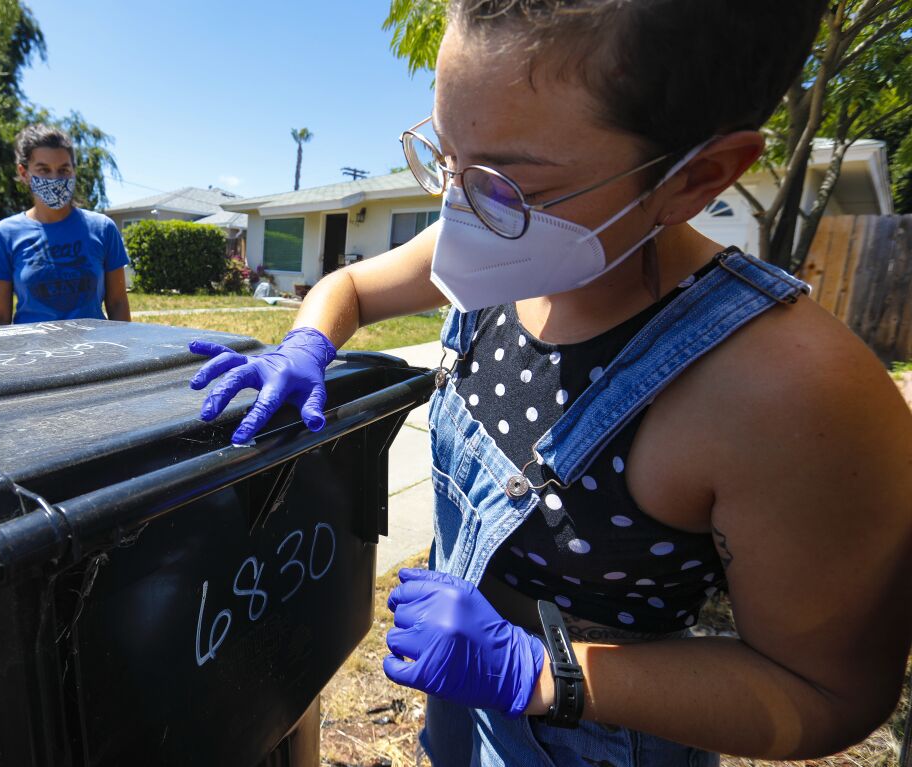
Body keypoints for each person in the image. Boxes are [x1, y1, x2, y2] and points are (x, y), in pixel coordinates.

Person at [188, 1, 912, 764]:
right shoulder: (497, 239)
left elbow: (828, 693)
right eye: (445, 153)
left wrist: (540, 669)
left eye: (507, 183)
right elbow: (355, 288)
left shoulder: (792, 392)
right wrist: (307, 339)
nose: (458, 206)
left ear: (696, 177)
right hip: (459, 715)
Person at [0, 124, 131, 326]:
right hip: (32, 354)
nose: (54, 179)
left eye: (63, 170)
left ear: (74, 171)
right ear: (24, 173)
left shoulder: (103, 228)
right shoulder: (4, 234)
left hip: (98, 352)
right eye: (43, 170)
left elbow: (118, 302)